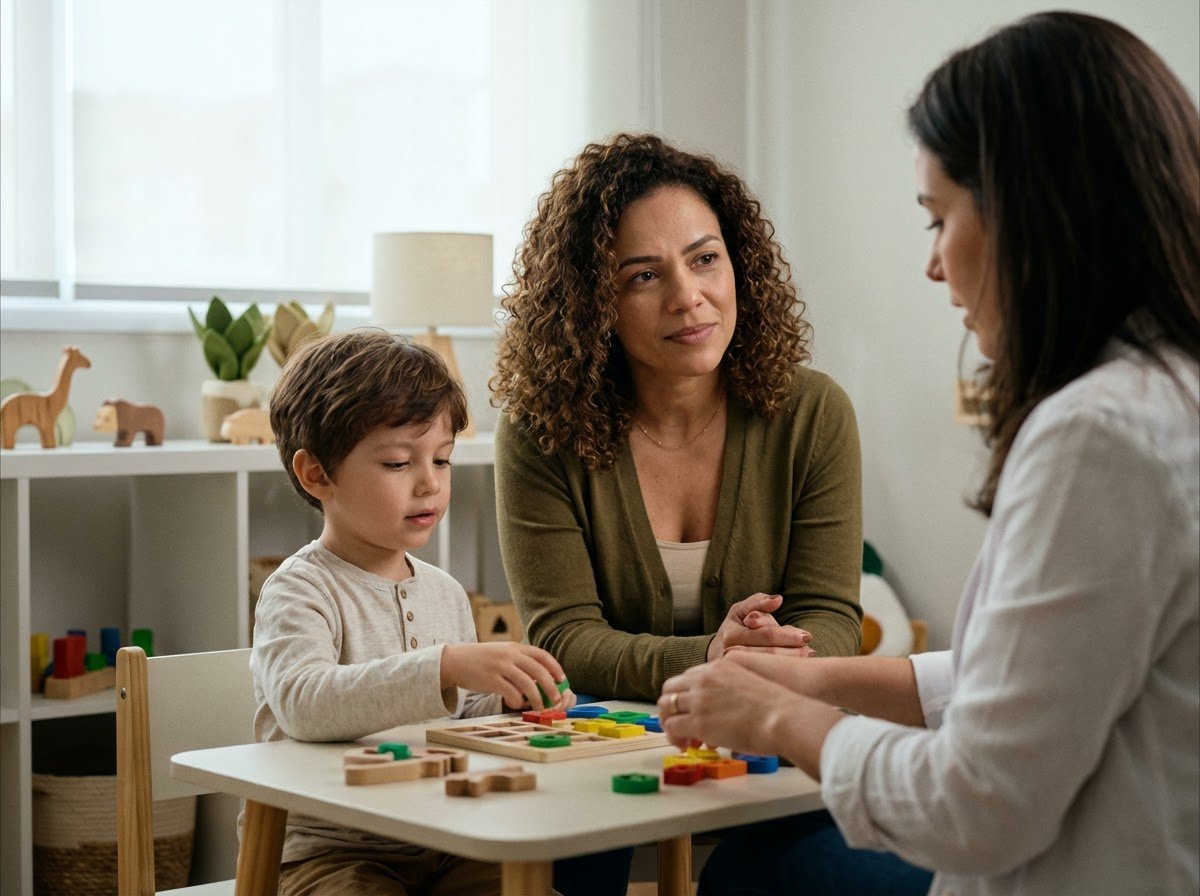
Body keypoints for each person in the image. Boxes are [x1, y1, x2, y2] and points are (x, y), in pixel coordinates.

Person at [659, 12, 1200, 896]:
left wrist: (779, 714)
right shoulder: (1167, 397)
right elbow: (1040, 670)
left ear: (1034, 215)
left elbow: (980, 800)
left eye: (937, 218)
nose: (934, 266)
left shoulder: (1100, 437)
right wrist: (829, 680)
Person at [492, 133, 929, 894]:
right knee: (562, 857)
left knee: (795, 870)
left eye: (704, 259)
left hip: (770, 751)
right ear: (594, 300)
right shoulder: (540, 430)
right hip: (600, 760)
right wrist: (708, 660)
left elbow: (830, 612)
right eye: (642, 275)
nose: (687, 297)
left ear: (739, 265)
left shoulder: (813, 412)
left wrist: (760, 658)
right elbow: (563, 634)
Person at [253, 329, 574, 896]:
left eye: (443, 460)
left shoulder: (445, 592)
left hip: (445, 840)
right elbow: (305, 704)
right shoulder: (298, 590)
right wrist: (445, 666)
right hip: (331, 853)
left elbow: (462, 717)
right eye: (399, 463)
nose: (430, 483)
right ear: (316, 474)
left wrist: (509, 699)